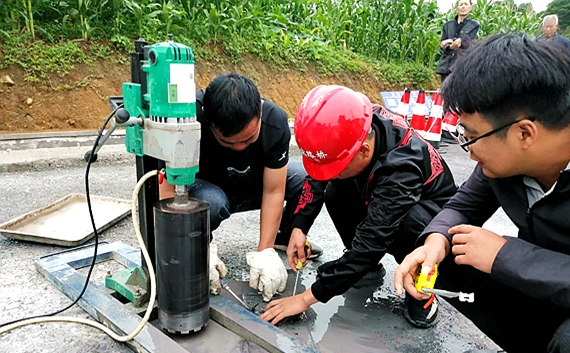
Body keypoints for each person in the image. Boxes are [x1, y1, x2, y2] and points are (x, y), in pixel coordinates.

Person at [394, 33, 570, 353]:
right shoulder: (509, 153)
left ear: (525, 133)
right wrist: (435, 241)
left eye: (471, 137)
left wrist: (507, 256)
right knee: (447, 252)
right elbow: (463, 204)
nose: (468, 150)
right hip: (549, 283)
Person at [260, 85, 457, 326]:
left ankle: (422, 288)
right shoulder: (354, 122)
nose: (332, 173)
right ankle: (364, 268)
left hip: (432, 219)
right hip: (380, 192)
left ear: (363, 151)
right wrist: (299, 227)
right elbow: (319, 172)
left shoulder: (401, 168)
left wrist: (305, 298)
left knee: (409, 223)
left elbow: (372, 241)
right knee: (335, 190)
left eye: (337, 167)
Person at [160, 73, 321, 300]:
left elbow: (274, 190)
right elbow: (168, 189)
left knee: (306, 179)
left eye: (248, 139)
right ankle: (200, 244)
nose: (239, 147)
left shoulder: (274, 122)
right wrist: (188, 250)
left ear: (260, 109)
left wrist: (264, 252)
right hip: (209, 191)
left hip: (252, 184)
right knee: (213, 201)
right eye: (228, 142)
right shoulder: (188, 119)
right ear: (208, 119)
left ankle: (282, 237)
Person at [435, 0, 479, 83]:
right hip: (446, 65)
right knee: (445, 89)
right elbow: (442, 44)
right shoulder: (447, 25)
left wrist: (450, 41)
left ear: (470, 8)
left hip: (461, 65)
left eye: (466, 4)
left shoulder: (474, 25)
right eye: (461, 4)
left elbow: (469, 43)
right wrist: (450, 46)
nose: (463, 7)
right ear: (457, 8)